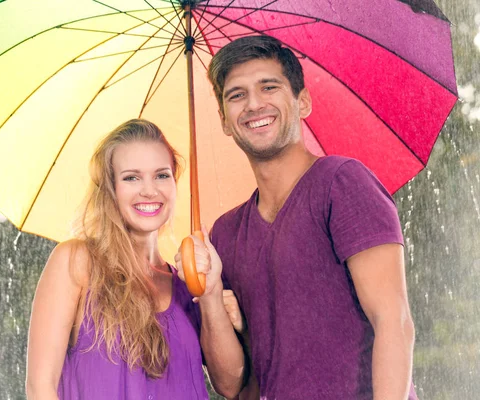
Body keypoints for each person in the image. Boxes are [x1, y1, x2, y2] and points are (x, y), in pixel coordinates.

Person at [179, 35, 417, 399]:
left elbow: (394, 322)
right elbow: (231, 386)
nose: (254, 104)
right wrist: (210, 293)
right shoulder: (225, 234)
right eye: (236, 95)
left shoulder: (343, 183)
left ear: (302, 101)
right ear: (225, 121)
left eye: (268, 87)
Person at [25, 119, 244, 399]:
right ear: (110, 188)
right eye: (131, 177)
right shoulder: (77, 262)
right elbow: (40, 388)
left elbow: (230, 385)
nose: (149, 190)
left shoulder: (188, 285)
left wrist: (211, 292)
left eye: (161, 175)